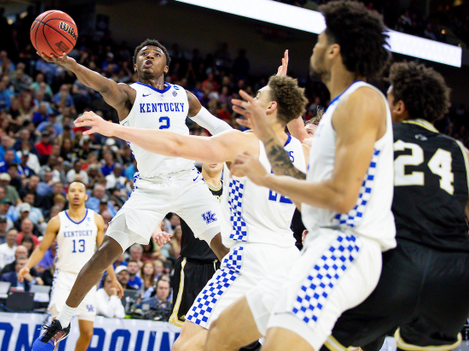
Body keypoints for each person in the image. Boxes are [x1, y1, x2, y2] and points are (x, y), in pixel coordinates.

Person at [205, 2, 395, 351]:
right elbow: (299, 180)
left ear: (335, 51)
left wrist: (266, 179)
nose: (316, 47)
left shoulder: (362, 100)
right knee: (219, 334)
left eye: (320, 40)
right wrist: (266, 139)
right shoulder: (338, 108)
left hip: (345, 247)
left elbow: (341, 197)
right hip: (317, 246)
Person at [74, 73, 308, 351]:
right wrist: (284, 90)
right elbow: (299, 131)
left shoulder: (243, 142)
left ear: (271, 107)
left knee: (186, 347)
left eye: (258, 96)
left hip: (249, 259)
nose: (252, 100)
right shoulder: (305, 150)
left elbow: (177, 145)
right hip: (290, 260)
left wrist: (114, 129)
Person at [32, 39, 231, 348]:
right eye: (142, 56)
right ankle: (65, 317)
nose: (148, 58)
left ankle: (251, 312)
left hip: (188, 182)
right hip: (150, 188)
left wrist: (250, 142)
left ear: (166, 66)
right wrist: (71, 65)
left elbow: (219, 128)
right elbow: (103, 86)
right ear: (136, 67)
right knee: (105, 253)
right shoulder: (129, 95)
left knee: (225, 248)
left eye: (155, 55)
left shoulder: (184, 97)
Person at [322, 63, 469, 351]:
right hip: (454, 276)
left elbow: (344, 197)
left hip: (396, 264)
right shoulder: (461, 152)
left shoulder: (379, 139)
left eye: (387, 99)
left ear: (399, 106)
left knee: (316, 337)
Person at [20, 180, 122, 351]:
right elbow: (42, 248)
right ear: (67, 195)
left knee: (87, 332)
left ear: (86, 196)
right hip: (64, 277)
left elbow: (104, 254)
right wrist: (27, 266)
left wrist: (114, 278)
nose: (76, 193)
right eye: (72, 190)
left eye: (80, 191)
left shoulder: (96, 219)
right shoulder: (56, 221)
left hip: (88, 279)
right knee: (55, 332)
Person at [169, 163, 223, 328]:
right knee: (189, 329)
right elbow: (158, 206)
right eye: (209, 155)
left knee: (217, 328)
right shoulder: (190, 186)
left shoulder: (232, 191)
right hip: (193, 265)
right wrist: (157, 231)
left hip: (222, 268)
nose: (213, 159)